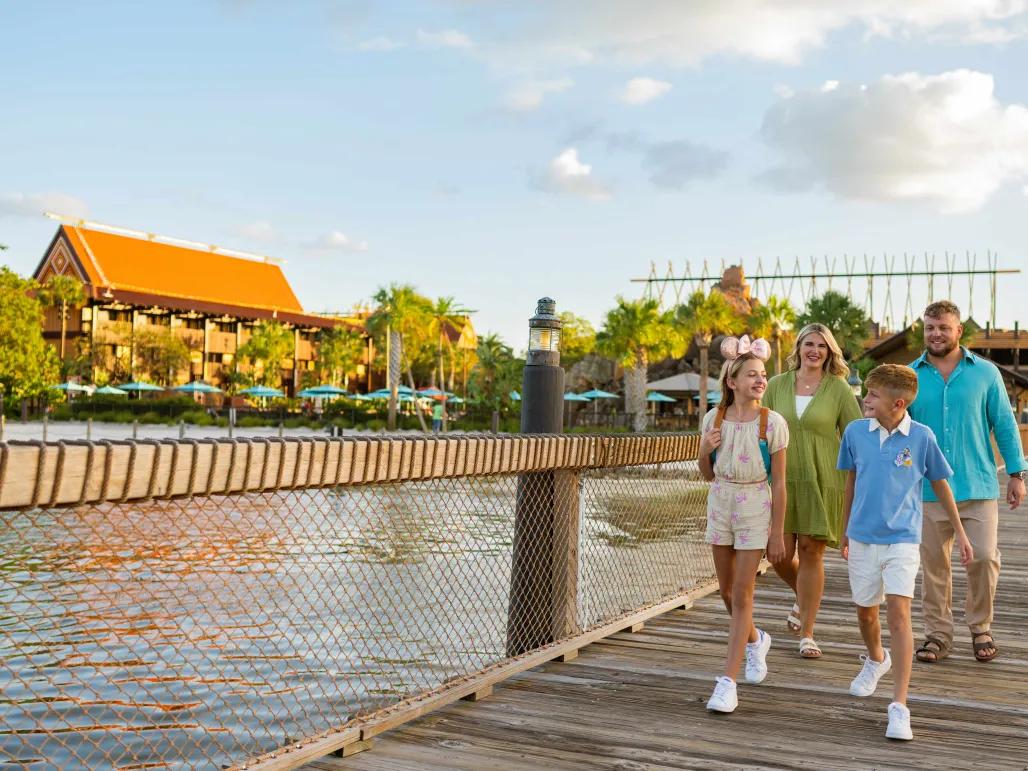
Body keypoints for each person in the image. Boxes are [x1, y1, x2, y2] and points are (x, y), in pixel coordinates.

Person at [838, 364, 972, 741]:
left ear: (897, 403)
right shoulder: (855, 433)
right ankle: (877, 659)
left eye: (873, 395)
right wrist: (844, 530)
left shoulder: (922, 437)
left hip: (903, 538)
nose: (865, 399)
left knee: (899, 613)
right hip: (862, 538)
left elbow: (941, 484)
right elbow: (851, 481)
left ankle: (899, 707)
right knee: (866, 614)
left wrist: (961, 532)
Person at [908, 301, 1026, 664]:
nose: (936, 333)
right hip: (926, 489)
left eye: (943, 327)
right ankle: (938, 634)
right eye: (930, 327)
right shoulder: (910, 376)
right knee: (933, 564)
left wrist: (1017, 474)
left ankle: (980, 626)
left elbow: (1005, 425)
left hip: (977, 486)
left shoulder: (986, 373)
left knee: (985, 558)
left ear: (959, 331)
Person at [698, 336, 788, 714]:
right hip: (720, 500)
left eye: (763, 374)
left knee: (743, 593)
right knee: (725, 593)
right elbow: (705, 473)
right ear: (732, 381)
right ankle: (755, 639)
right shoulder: (713, 419)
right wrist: (705, 448)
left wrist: (777, 531)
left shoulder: (773, 423)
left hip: (755, 504)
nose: (760, 380)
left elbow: (780, 482)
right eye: (752, 374)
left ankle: (727, 683)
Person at [765, 323, 862, 658]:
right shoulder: (776, 385)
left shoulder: (838, 389)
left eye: (822, 346)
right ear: (799, 347)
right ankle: (801, 595)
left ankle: (807, 632)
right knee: (776, 553)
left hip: (823, 479)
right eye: (809, 344)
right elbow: (757, 424)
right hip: (780, 479)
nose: (814, 351)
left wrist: (863, 477)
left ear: (830, 351)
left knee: (810, 551)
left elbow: (855, 434)